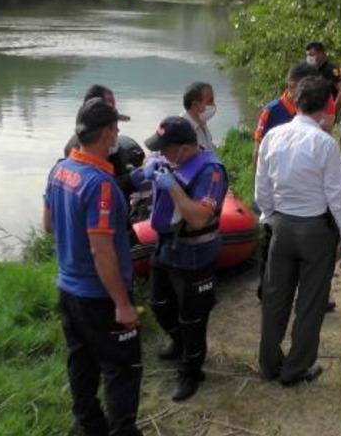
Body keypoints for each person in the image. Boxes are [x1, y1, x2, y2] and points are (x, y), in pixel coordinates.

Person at [43, 98, 142, 436]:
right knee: (121, 368)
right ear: (106, 134)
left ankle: (89, 425)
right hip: (99, 296)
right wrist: (122, 304)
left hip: (68, 289)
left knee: (81, 361)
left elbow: (48, 225)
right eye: (115, 128)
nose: (117, 134)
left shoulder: (60, 170)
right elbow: (102, 252)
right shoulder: (100, 185)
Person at [255, 76, 341, 386]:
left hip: (281, 225)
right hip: (315, 230)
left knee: (275, 298)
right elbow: (337, 196)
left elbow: (262, 189)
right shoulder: (324, 143)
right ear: (327, 105)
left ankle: (269, 363)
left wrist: (271, 218)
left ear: (295, 101)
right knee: (311, 302)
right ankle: (296, 368)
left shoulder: (272, 136)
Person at [141, 116, 228, 402]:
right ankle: (179, 342)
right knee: (159, 303)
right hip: (166, 248)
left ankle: (191, 371)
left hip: (195, 256)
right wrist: (151, 165)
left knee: (193, 318)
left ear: (183, 148)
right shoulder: (171, 160)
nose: (160, 152)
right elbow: (149, 161)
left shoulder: (211, 172)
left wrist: (172, 186)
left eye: (164, 148)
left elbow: (199, 218)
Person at [252, 62, 320, 302]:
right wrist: (261, 190)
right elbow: (258, 151)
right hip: (275, 191)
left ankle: (301, 292)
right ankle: (266, 291)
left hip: (301, 192)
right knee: (271, 243)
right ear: (292, 85)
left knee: (301, 248)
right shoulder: (272, 110)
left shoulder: (310, 110)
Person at [64, 84, 143, 203]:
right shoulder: (86, 152)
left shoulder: (59, 168)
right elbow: (98, 192)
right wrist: (131, 179)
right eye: (113, 127)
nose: (117, 131)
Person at [180, 82, 218, 151]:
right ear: (195, 105)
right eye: (210, 101)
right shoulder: (182, 130)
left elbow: (209, 147)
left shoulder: (201, 122)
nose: (213, 105)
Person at [305, 41, 341, 108]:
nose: (309, 58)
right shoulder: (311, 71)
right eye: (307, 55)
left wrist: (334, 109)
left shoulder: (333, 69)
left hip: (327, 111)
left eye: (311, 55)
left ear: (320, 54)